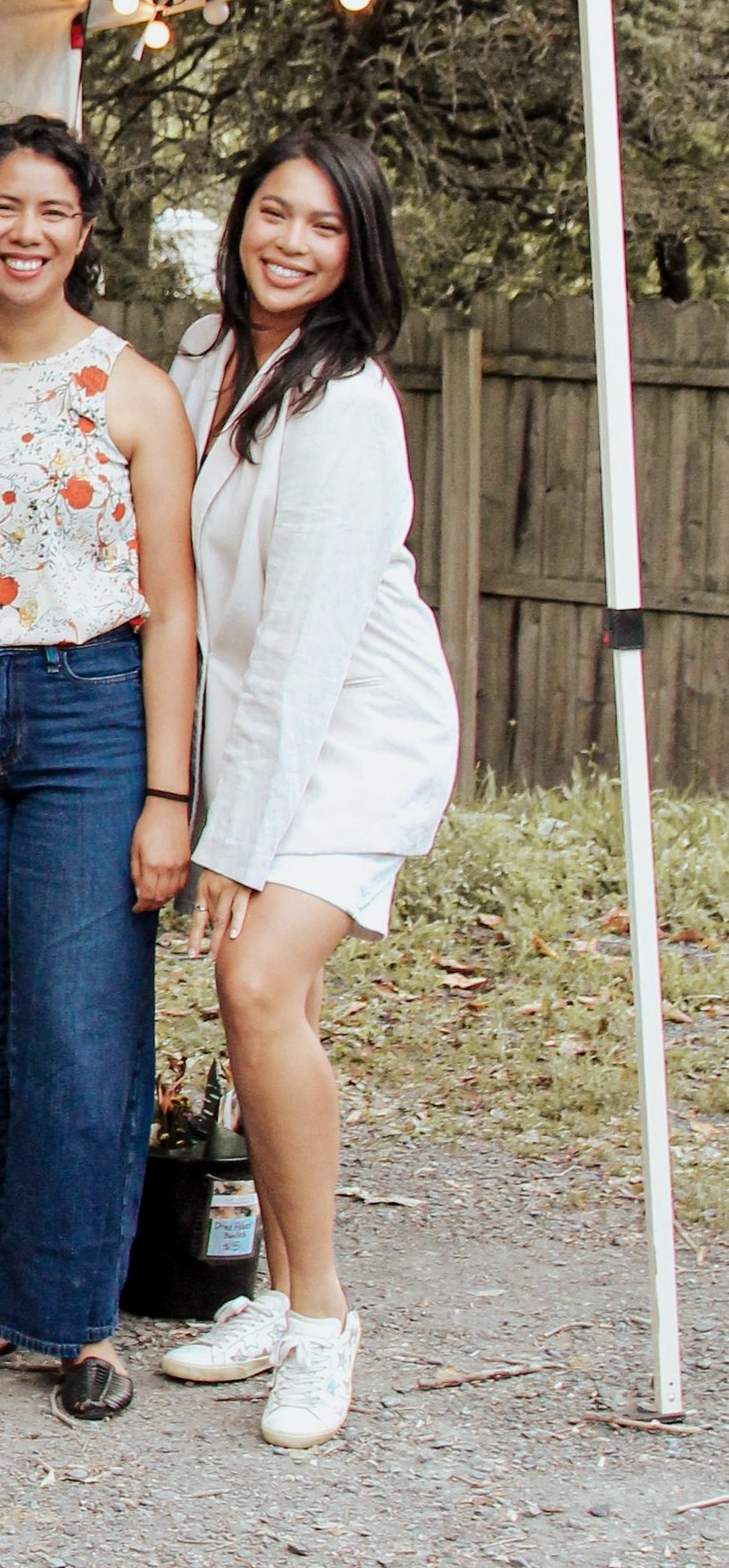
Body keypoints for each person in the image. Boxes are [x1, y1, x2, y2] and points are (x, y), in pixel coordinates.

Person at [0, 115, 197, 1424]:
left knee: (77, 1025)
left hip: (88, 717)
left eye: (52, 210)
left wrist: (169, 794)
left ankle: (72, 1315)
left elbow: (173, 606)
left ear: (83, 231)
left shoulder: (132, 389)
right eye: (2, 206)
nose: (26, 230)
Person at [161, 130, 459, 1449]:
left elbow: (301, 643)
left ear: (357, 254)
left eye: (323, 227)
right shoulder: (198, 360)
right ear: (240, 221)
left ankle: (325, 1320)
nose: (288, 239)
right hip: (264, 725)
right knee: (272, 1004)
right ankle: (278, 1293)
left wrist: (236, 837)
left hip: (359, 727)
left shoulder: (343, 402)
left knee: (256, 980)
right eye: (272, 211)